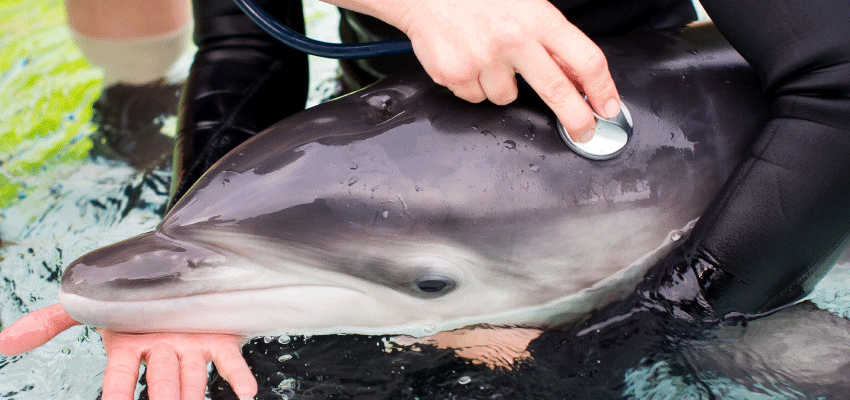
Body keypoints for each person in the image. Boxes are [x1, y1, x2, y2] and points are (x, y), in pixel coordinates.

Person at [0, 0, 848, 399]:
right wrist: (190, 241)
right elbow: (241, 43)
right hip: (402, 130)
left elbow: (840, 83)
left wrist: (633, 329)